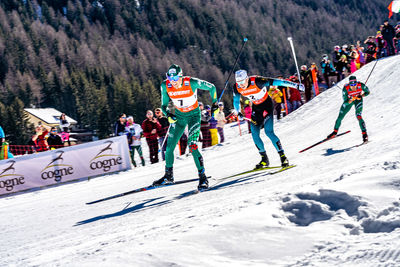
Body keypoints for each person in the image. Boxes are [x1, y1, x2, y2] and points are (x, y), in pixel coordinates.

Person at [152, 64, 218, 190]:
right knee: (170, 147)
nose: (173, 82)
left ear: (181, 76)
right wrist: (168, 115)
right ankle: (168, 176)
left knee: (192, 145)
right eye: (170, 79)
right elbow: (164, 106)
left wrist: (214, 103)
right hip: (179, 117)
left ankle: (202, 177)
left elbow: (212, 87)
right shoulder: (165, 85)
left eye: (176, 79)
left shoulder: (191, 82)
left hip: (194, 116)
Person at [232, 70, 301, 169]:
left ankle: (283, 157)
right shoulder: (236, 87)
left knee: (269, 132)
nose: (241, 85)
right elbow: (236, 100)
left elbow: (278, 82)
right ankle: (264, 159)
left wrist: (296, 85)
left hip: (267, 106)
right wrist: (238, 111)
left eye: (243, 82)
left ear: (247, 78)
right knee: (255, 134)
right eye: (239, 82)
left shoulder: (257, 81)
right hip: (256, 108)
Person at [327, 76, 370, 142]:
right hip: (350, 101)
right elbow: (345, 102)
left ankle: (364, 135)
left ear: (356, 83)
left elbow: (368, 92)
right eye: (351, 85)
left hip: (358, 100)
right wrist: (349, 101)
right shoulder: (345, 89)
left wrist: (361, 95)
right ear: (349, 84)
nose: (353, 87)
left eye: (354, 84)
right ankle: (335, 132)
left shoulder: (360, 85)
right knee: (340, 117)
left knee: (358, 115)